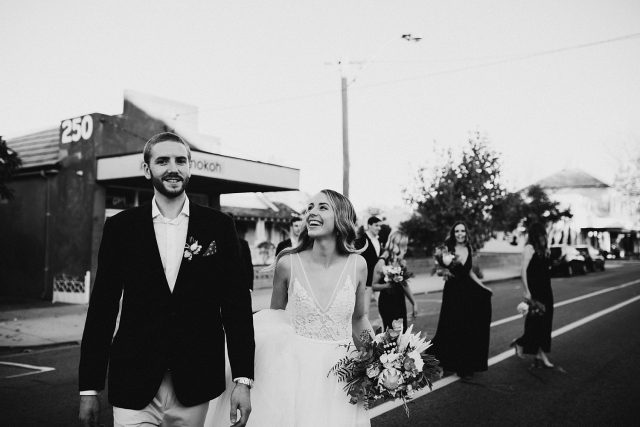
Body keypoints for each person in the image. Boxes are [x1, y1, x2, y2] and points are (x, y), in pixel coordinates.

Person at [78, 132, 255, 427]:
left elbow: (236, 307)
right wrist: (88, 388)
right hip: (133, 379)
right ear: (147, 169)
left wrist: (243, 380)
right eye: (162, 161)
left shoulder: (219, 227)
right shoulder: (120, 227)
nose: (173, 168)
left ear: (190, 167)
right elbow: (102, 309)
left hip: (195, 380)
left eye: (180, 160)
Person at [206, 189, 372, 427]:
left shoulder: (358, 265)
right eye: (310, 208)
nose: (312, 213)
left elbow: (360, 318)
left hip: (341, 373)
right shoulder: (288, 264)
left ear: (342, 218)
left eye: (322, 207)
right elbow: (275, 320)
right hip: (294, 372)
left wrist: (379, 359)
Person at [428, 221, 493, 380]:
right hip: (452, 291)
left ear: (466, 232)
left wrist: (483, 287)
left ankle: (464, 365)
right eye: (457, 231)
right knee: (449, 325)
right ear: (453, 232)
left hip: (468, 291)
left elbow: (470, 272)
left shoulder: (469, 248)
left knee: (466, 327)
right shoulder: (446, 248)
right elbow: (438, 270)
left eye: (462, 231)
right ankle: (440, 361)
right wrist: (443, 271)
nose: (460, 234)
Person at [512, 222, 555, 368]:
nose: (544, 236)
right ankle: (523, 344)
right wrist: (526, 291)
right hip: (535, 291)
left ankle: (538, 354)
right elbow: (523, 271)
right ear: (537, 235)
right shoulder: (529, 248)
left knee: (546, 323)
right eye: (542, 234)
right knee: (535, 324)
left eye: (545, 234)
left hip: (546, 290)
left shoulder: (544, 249)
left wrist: (547, 252)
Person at [372, 231, 418, 332]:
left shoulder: (401, 262)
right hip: (387, 302)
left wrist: (414, 302)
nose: (406, 249)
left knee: (403, 331)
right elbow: (373, 285)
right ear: (396, 245)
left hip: (400, 301)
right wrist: (387, 285)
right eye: (404, 246)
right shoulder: (382, 262)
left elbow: (404, 284)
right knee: (391, 335)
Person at [355, 216, 382, 316]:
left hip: (379, 282)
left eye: (380, 226)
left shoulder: (378, 240)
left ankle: (383, 331)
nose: (379, 228)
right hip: (366, 282)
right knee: (364, 312)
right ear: (369, 226)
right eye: (376, 225)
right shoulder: (361, 241)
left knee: (383, 310)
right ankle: (364, 332)